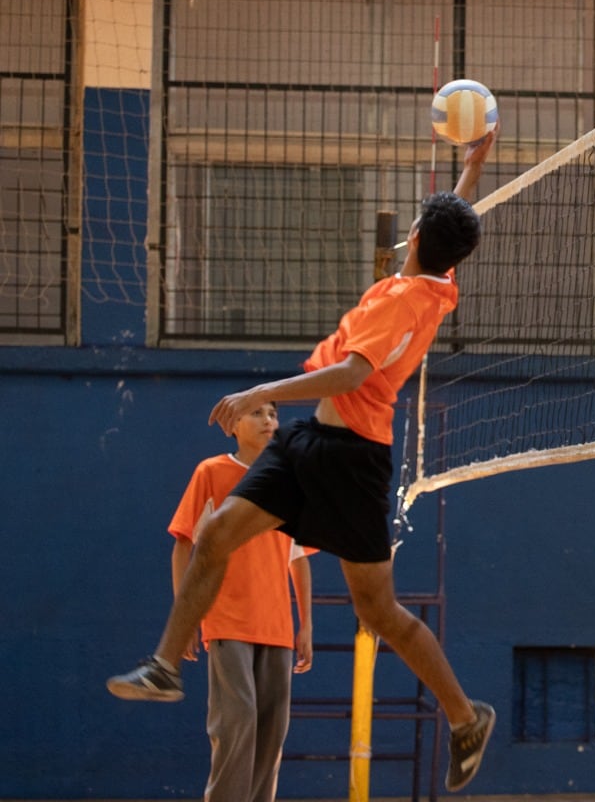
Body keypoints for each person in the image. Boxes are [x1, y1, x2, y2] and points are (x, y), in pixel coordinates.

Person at [110, 134, 499, 794]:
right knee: (215, 538)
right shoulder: (431, 279)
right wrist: (472, 167)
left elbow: (349, 374)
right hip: (307, 447)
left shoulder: (403, 299)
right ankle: (165, 666)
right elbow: (448, 226)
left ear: (412, 234)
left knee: (379, 613)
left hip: (353, 461)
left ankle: (466, 718)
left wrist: (262, 392)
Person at [168, 397, 314, 802]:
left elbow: (297, 557)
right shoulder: (212, 473)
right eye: (257, 413)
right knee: (238, 721)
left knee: (271, 731)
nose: (268, 419)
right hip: (227, 616)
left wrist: (306, 624)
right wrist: (185, 620)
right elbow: (182, 546)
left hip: (277, 625)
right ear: (232, 424)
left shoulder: (288, 480)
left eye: (272, 413)